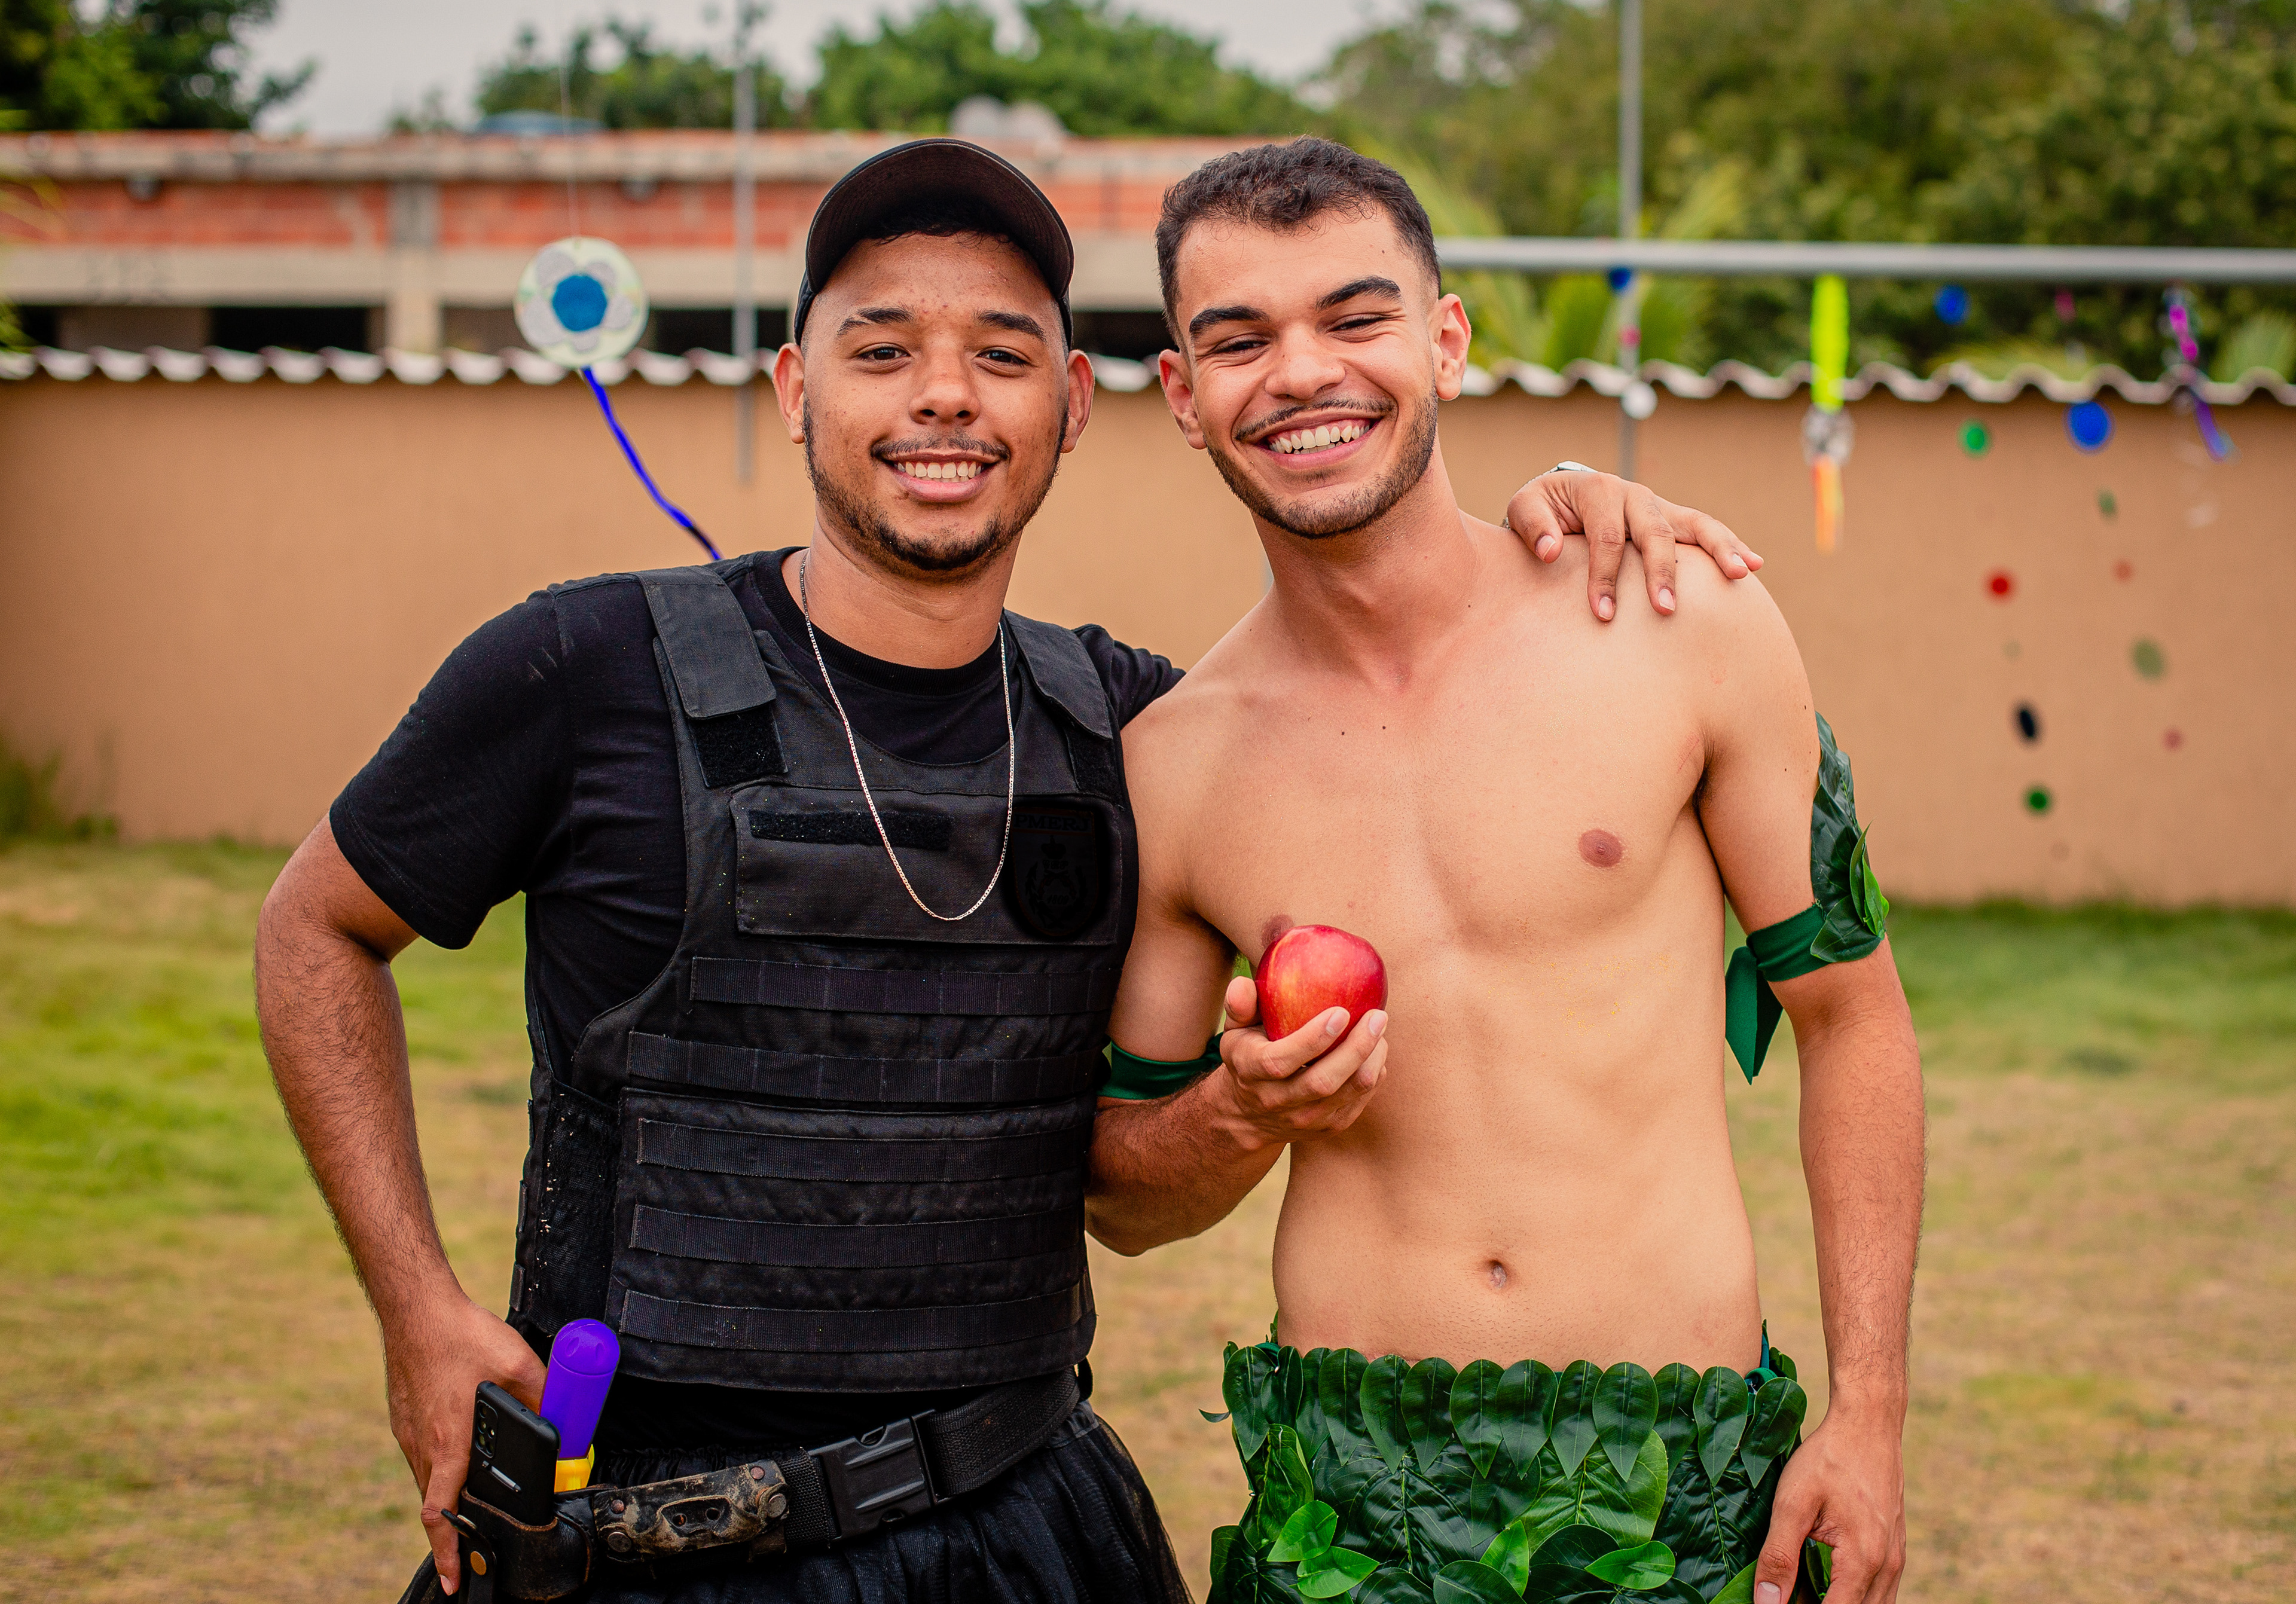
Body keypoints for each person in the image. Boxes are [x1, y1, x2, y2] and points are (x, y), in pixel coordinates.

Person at [254, 138, 1762, 1603]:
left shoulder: (1138, 735)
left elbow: (1373, 693)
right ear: (794, 390)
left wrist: (1562, 514)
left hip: (1021, 1523)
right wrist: (417, 1305)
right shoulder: (583, 668)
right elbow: (316, 925)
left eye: (1001, 352)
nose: (944, 396)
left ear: (1076, 403)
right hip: (640, 1537)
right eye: (881, 350)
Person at [1088, 138, 1922, 1604]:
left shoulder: (1682, 621)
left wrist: (1870, 1415)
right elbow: (1124, 1198)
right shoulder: (1175, 764)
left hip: (1674, 1479)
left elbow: (1851, 1016)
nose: (1301, 373)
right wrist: (1242, 1110)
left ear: (1447, 341)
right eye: (1240, 339)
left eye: (1355, 318)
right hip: (1351, 1505)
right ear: (1181, 393)